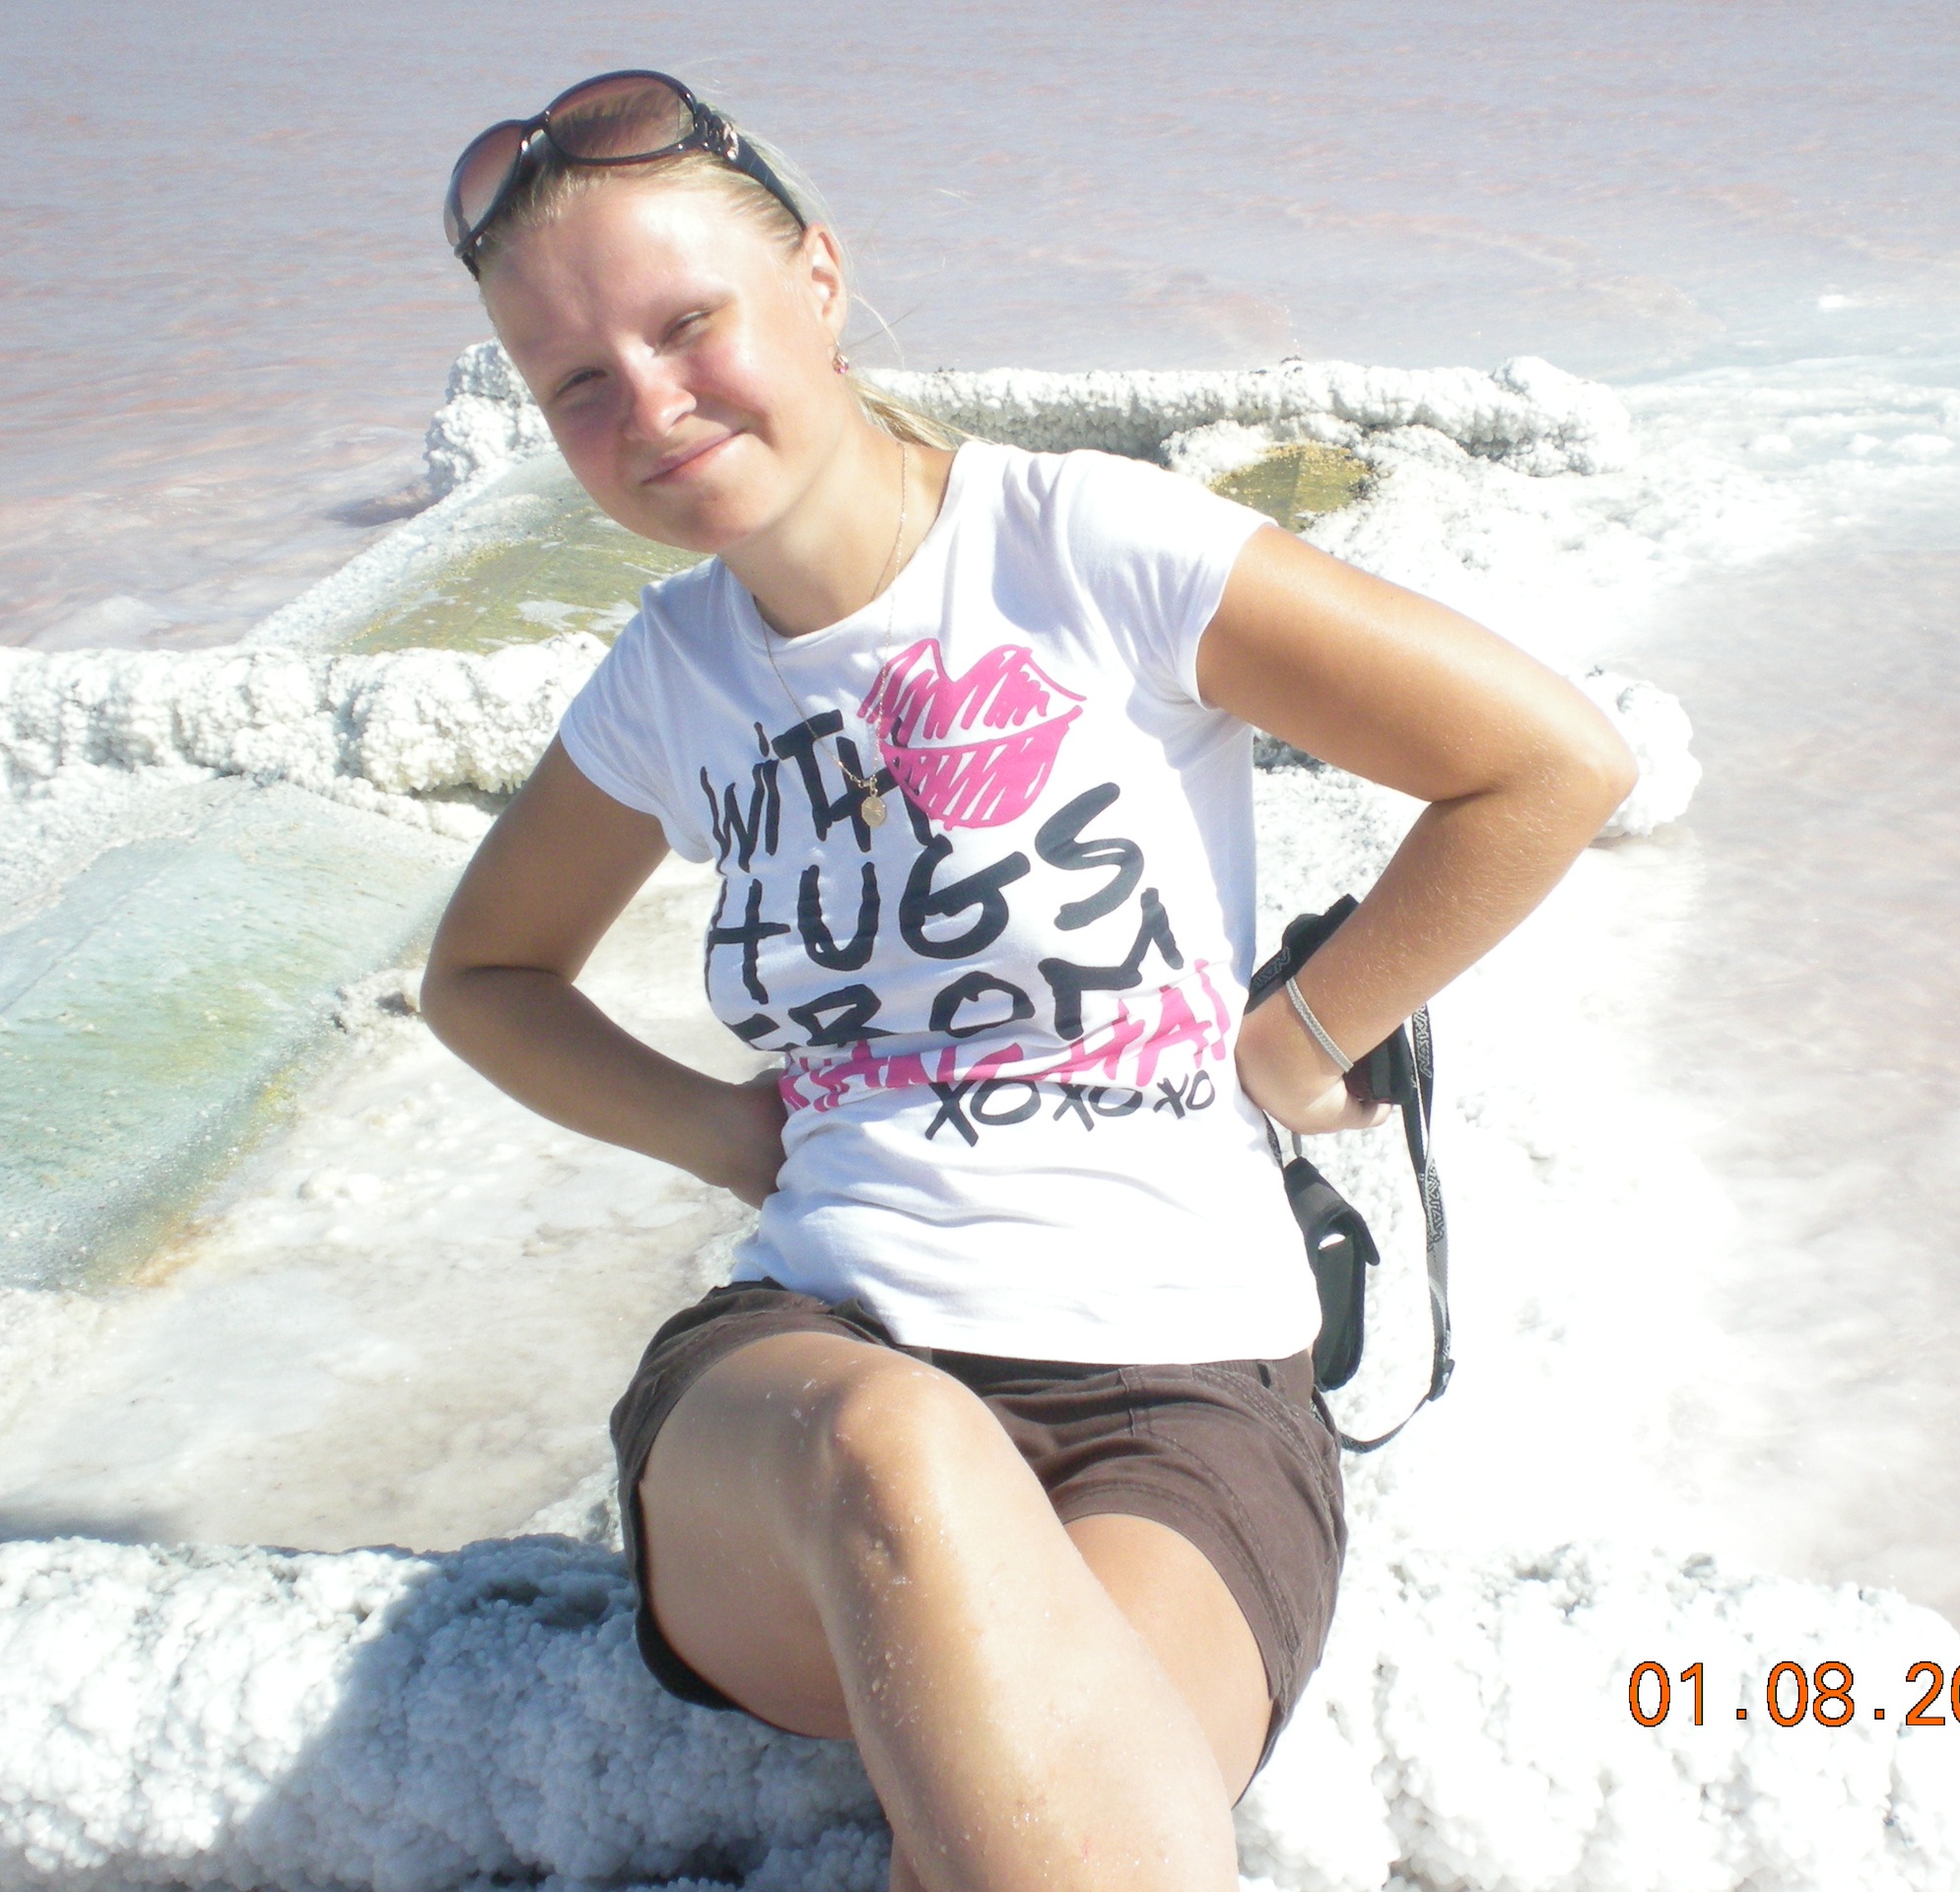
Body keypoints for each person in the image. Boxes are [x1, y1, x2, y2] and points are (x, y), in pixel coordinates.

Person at [418, 70, 1636, 1892]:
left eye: (685, 326)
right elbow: (485, 976)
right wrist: (727, 1134)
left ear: (819, 280)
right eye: (575, 381)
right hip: (812, 1387)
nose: (648, 405)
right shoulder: (674, 674)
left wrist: (1298, 1039)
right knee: (900, 1449)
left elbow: (1545, 764)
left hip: (1184, 1399)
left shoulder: (1083, 548)